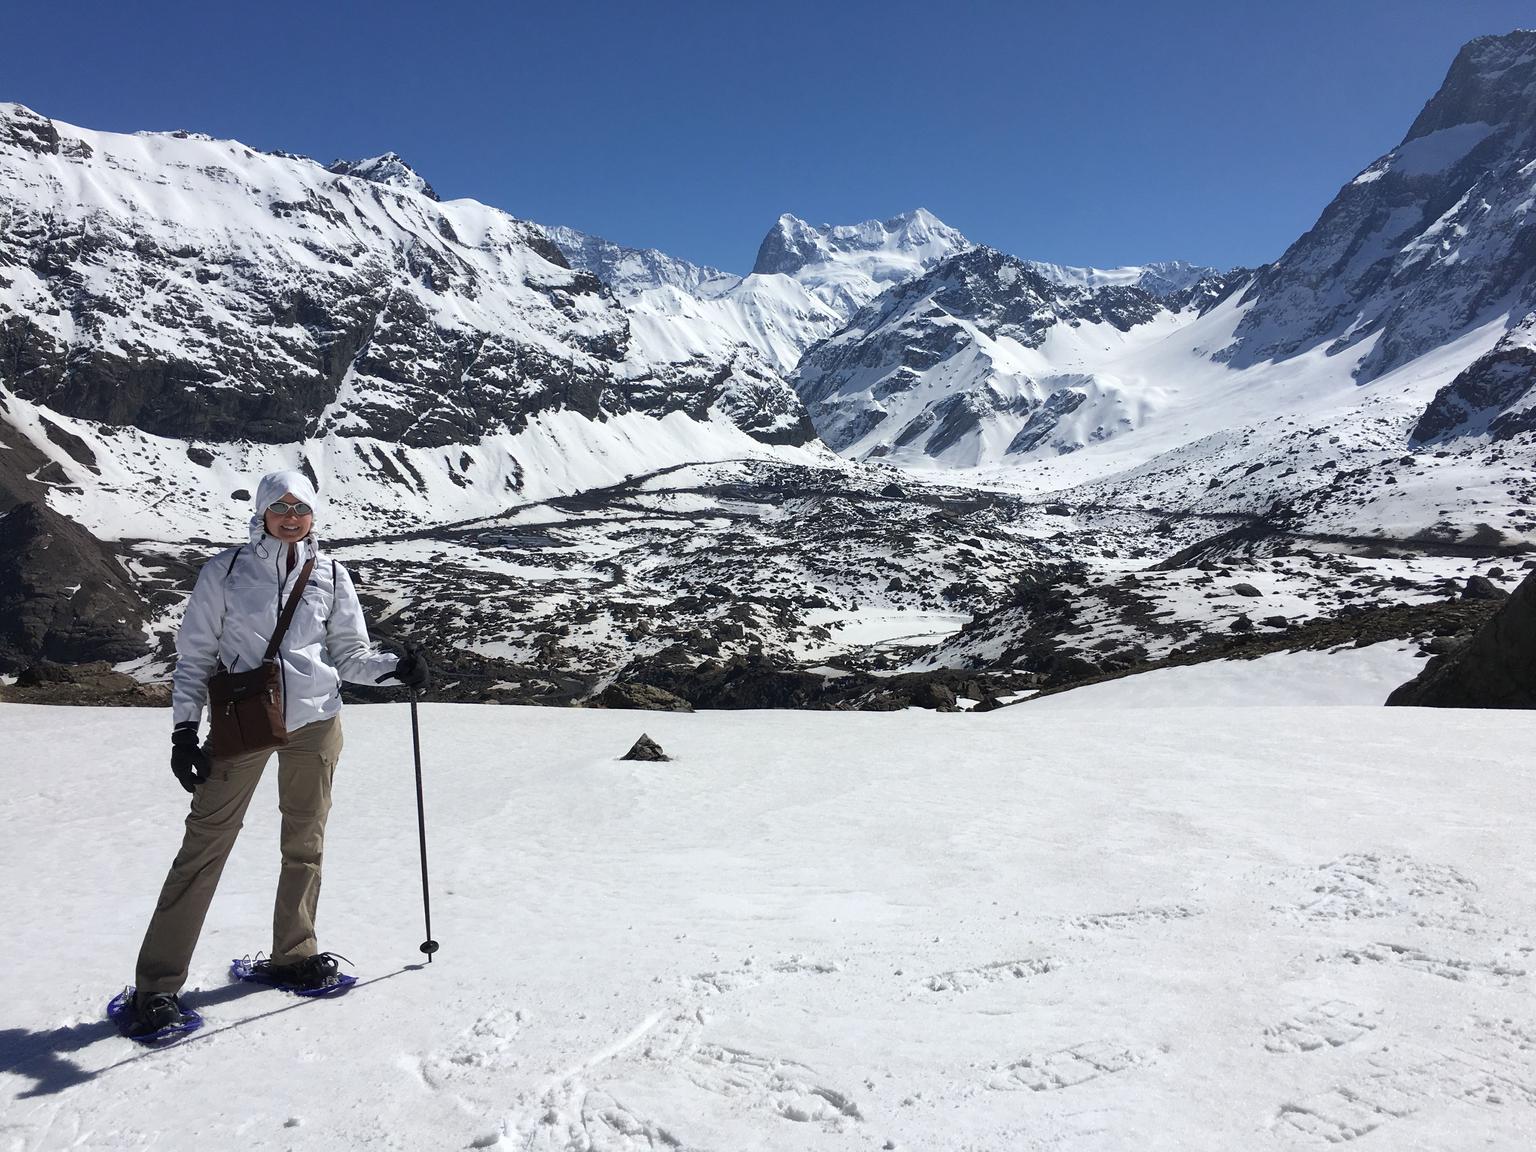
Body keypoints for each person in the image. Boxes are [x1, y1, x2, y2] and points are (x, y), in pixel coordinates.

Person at [123, 470, 430, 1037]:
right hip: (243, 724)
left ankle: (294, 951)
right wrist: (184, 731)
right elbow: (194, 658)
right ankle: (157, 985)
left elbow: (350, 655)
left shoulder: (332, 576)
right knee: (205, 846)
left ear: (314, 515)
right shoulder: (226, 572)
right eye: (280, 506)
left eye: (301, 508)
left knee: (305, 842)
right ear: (261, 512)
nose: (291, 517)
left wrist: (393, 668)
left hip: (317, 722)